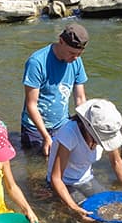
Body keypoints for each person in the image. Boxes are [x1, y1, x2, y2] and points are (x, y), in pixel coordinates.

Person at [47, 99, 122, 222]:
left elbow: (116, 161)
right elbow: (56, 178)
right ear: (90, 128)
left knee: (111, 208)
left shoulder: (108, 129)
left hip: (86, 178)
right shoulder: (69, 134)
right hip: (65, 182)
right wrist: (73, 207)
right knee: (91, 215)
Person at [21, 24, 89, 156]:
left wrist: (86, 128)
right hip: (34, 128)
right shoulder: (37, 62)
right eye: (72, 53)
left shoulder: (76, 61)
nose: (75, 58)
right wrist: (46, 137)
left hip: (62, 124)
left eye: (79, 54)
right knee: (37, 167)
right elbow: (31, 105)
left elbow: (80, 99)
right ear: (61, 41)